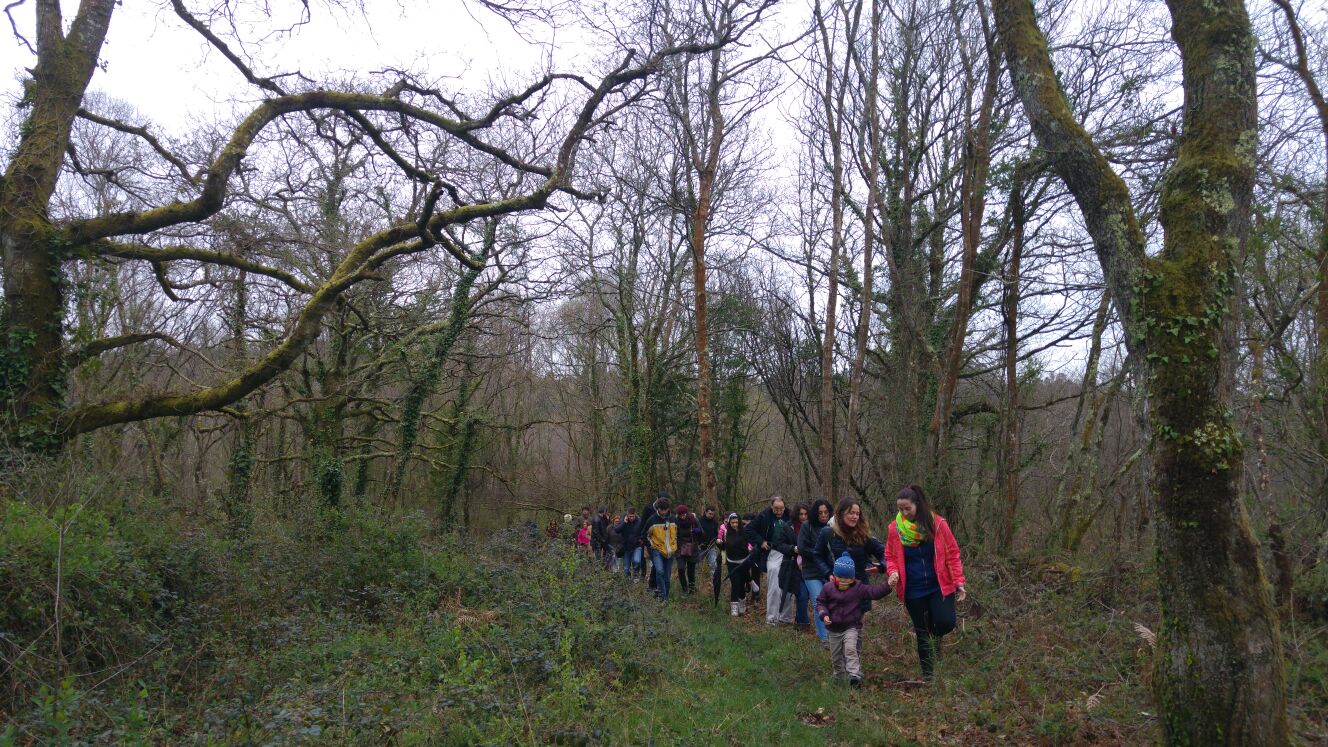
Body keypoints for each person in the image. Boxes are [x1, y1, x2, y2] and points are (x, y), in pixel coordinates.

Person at [885, 484, 966, 680]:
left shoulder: (937, 524)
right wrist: (893, 571)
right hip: (913, 589)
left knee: (945, 623)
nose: (904, 513)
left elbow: (953, 553)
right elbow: (889, 555)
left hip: (939, 585)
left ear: (917, 505)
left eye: (908, 508)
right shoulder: (895, 529)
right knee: (921, 633)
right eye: (900, 509)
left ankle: (935, 637)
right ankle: (929, 677)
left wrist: (959, 581)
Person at [816, 552, 894, 687]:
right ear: (834, 576)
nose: (843, 580)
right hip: (833, 629)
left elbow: (874, 592)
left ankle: (854, 676)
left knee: (850, 649)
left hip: (851, 626)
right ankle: (839, 676)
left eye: (847, 578)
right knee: (836, 656)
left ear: (852, 578)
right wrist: (824, 615)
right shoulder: (828, 588)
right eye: (840, 577)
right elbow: (820, 603)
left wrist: (888, 585)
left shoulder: (858, 587)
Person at [815, 498, 886, 612]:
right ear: (841, 513)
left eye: (857, 514)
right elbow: (817, 555)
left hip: (859, 590)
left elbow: (885, 553)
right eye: (851, 513)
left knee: (855, 629)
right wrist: (827, 573)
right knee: (836, 627)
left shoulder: (864, 534)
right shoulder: (828, 532)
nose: (855, 516)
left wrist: (881, 566)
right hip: (836, 589)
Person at [745, 496, 797, 625]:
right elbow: (749, 530)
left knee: (788, 584)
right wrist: (761, 541)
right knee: (774, 584)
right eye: (776, 509)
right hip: (772, 551)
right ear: (771, 507)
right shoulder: (764, 516)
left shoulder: (790, 516)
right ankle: (772, 618)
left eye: (781, 509)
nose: (779, 511)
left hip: (788, 551)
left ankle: (785, 617)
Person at [798, 498, 835, 646]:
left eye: (826, 512)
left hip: (829, 570)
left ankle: (833, 633)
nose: (823, 515)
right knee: (818, 602)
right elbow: (801, 547)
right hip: (811, 571)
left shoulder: (833, 526)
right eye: (820, 513)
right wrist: (818, 554)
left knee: (832, 602)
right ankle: (824, 637)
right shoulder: (807, 526)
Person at [640, 498, 678, 600]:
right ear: (658, 509)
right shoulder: (652, 520)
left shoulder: (673, 519)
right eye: (662, 510)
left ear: (668, 509)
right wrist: (651, 545)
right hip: (656, 550)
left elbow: (678, 534)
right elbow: (643, 535)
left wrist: (676, 545)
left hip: (670, 551)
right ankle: (663, 597)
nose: (664, 512)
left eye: (665, 510)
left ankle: (666, 595)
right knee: (659, 571)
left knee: (667, 575)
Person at [721, 513, 752, 616]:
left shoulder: (744, 532)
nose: (734, 524)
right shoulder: (726, 533)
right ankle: (734, 607)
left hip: (743, 563)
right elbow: (724, 547)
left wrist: (750, 548)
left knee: (742, 585)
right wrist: (720, 544)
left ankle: (742, 603)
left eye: (736, 522)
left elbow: (750, 543)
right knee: (735, 584)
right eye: (732, 522)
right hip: (732, 563)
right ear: (729, 523)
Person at [675, 504, 702, 594]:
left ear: (687, 513)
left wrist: (695, 531)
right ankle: (684, 589)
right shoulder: (676, 521)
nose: (682, 516)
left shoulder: (694, 520)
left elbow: (701, 531)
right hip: (679, 548)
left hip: (692, 547)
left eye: (684, 514)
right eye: (680, 515)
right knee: (681, 569)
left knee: (691, 571)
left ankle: (692, 589)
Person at [618, 507, 644, 579]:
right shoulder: (624, 521)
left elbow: (644, 531)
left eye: (633, 516)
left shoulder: (639, 521)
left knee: (636, 560)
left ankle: (636, 574)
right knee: (626, 568)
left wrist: (641, 539)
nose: (631, 518)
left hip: (637, 546)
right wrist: (624, 522)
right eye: (630, 516)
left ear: (635, 515)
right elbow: (616, 530)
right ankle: (628, 582)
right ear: (627, 515)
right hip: (626, 547)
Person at [699, 506, 721, 581]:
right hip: (700, 547)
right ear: (705, 512)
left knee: (713, 564)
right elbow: (695, 532)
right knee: (696, 565)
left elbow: (716, 533)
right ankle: (696, 582)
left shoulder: (714, 522)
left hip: (711, 547)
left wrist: (715, 539)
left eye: (712, 514)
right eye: (709, 513)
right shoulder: (699, 521)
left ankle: (715, 581)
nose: (711, 515)